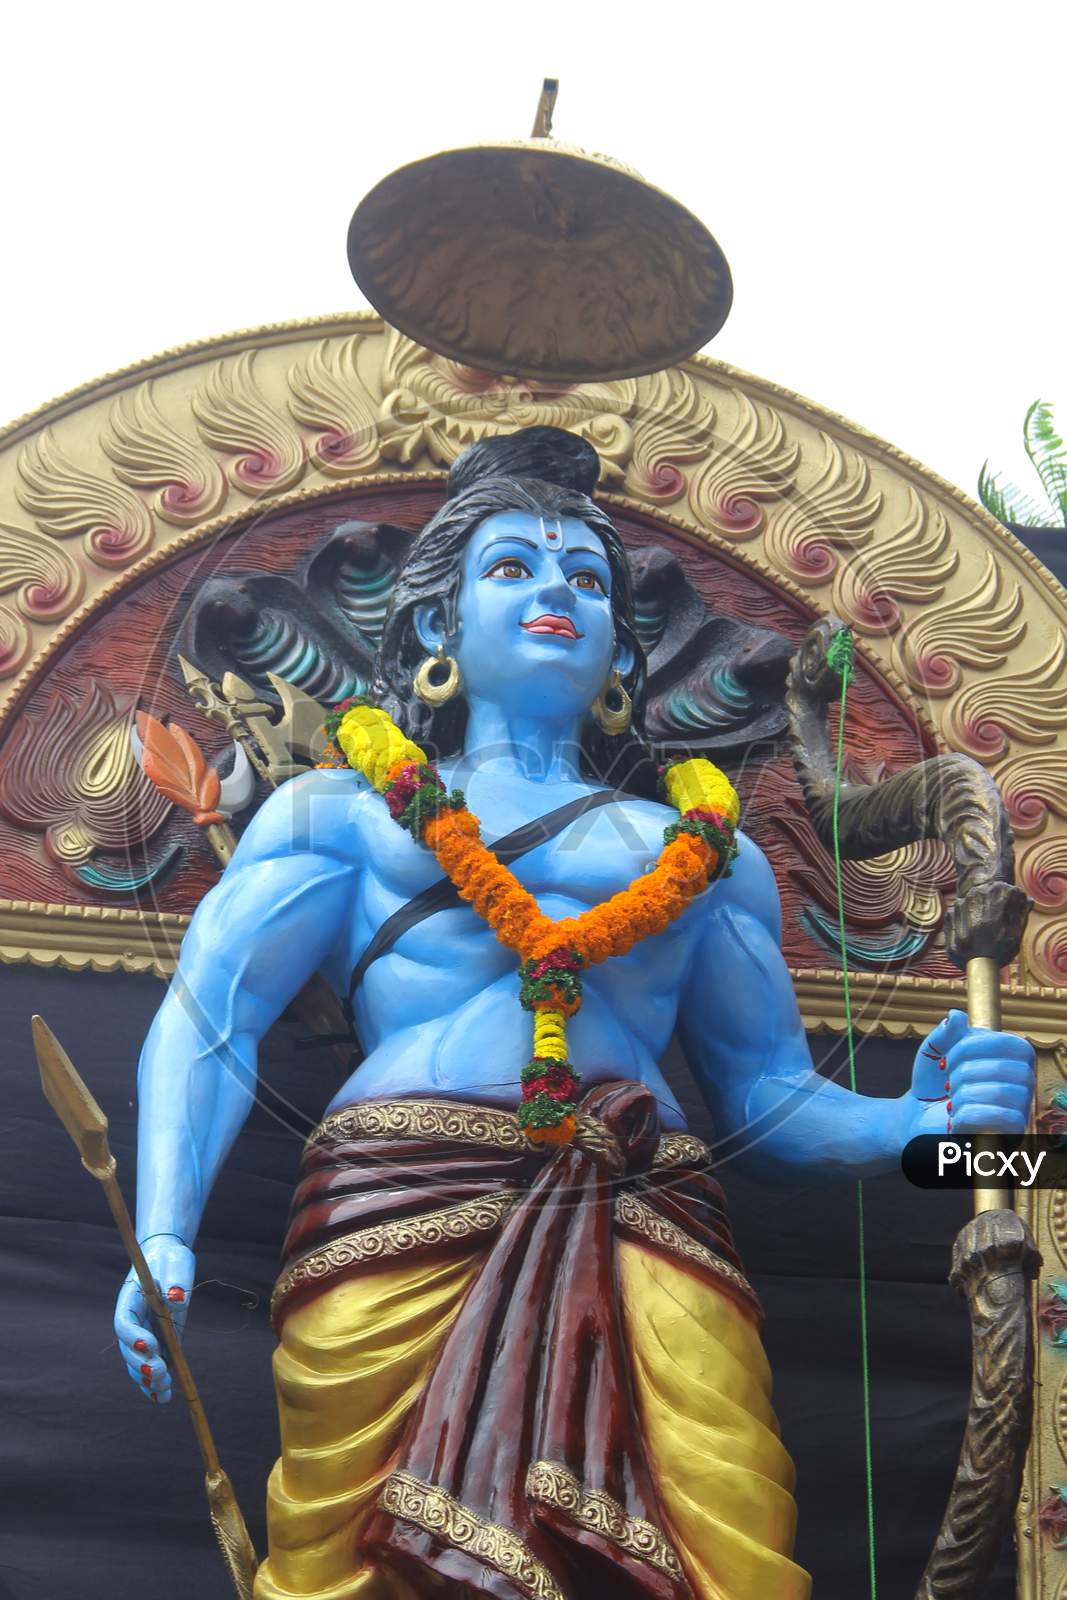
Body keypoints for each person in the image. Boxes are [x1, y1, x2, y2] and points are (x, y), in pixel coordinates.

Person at [114, 426, 1035, 1600]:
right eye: (512, 568)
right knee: (344, 1556)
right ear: (437, 625)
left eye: (585, 578)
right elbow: (209, 1016)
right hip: (398, 1200)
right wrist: (165, 1234)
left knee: (732, 1534)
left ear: (616, 646)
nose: (555, 591)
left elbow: (769, 1097)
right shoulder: (338, 814)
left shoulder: (708, 858)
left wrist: (941, 1132)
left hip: (643, 1208)